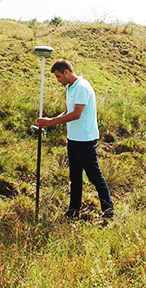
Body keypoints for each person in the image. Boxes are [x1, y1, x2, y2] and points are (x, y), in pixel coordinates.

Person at [35, 59, 114, 220]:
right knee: (75, 177)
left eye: (58, 77)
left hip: (86, 140)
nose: (57, 81)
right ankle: (73, 211)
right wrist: (48, 122)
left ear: (66, 72)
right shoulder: (70, 87)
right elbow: (66, 112)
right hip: (73, 139)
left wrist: (51, 121)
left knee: (95, 177)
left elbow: (77, 113)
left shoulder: (83, 87)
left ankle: (108, 213)